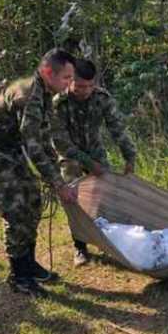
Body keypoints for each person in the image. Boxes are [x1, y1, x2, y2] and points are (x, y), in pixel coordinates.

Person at [0, 48, 78, 298]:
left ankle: (29, 264)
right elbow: (32, 145)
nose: (70, 84)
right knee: (17, 209)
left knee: (33, 200)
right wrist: (59, 184)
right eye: (66, 78)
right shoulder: (29, 94)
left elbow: (43, 140)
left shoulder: (45, 93)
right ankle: (19, 276)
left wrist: (55, 173)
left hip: (8, 150)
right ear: (48, 72)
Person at [52, 58, 137, 266]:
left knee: (105, 196)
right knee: (73, 199)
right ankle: (79, 247)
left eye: (90, 85)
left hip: (95, 152)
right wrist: (88, 164)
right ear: (70, 80)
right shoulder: (58, 103)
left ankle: (108, 242)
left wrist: (129, 156)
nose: (86, 90)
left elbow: (117, 128)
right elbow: (60, 142)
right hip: (70, 156)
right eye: (80, 86)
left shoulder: (102, 99)